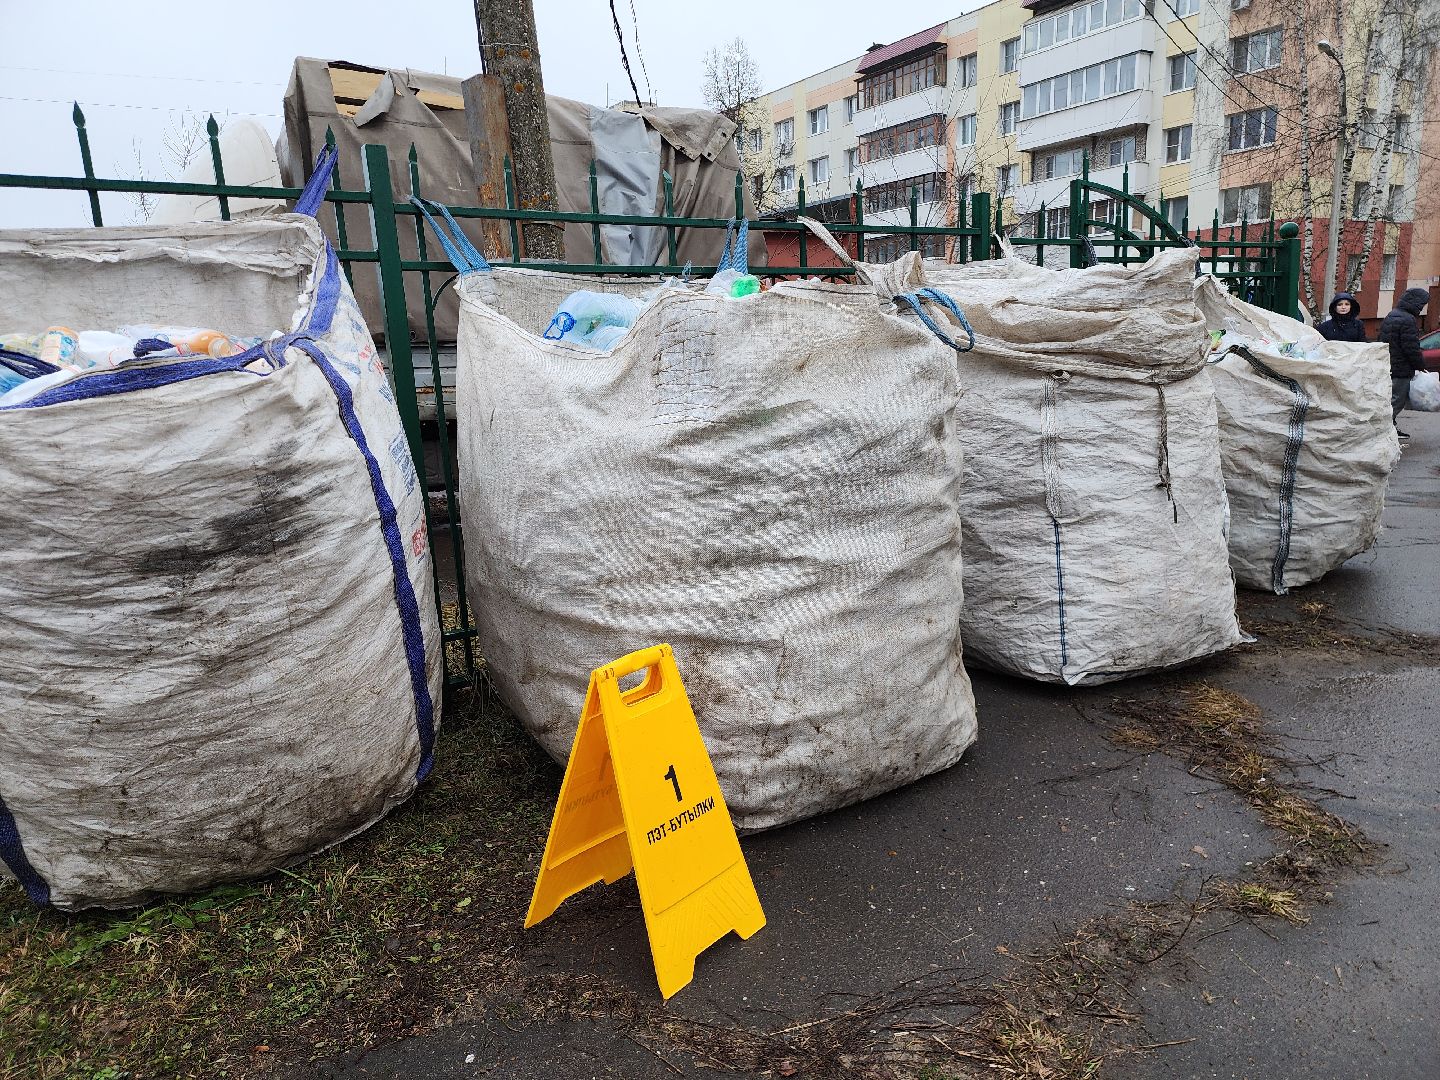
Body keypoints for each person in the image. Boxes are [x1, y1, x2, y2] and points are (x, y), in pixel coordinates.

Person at [1377, 287, 1431, 442]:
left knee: (1390, 399)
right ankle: (1383, 430)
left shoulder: (1392, 315)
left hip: (1389, 364)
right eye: (1422, 304)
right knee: (1397, 400)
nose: (1422, 308)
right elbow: (1411, 347)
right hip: (1400, 368)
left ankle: (1389, 427)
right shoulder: (1407, 319)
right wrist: (1420, 365)